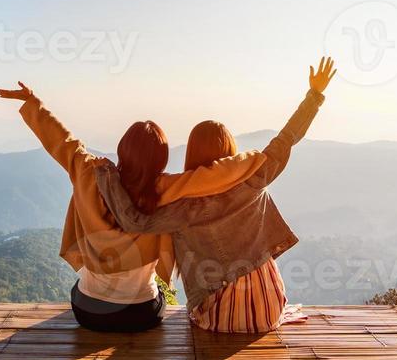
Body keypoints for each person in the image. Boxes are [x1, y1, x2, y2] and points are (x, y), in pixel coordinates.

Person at [0, 82, 267, 332]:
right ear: (161, 159)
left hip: (88, 312)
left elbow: (62, 142)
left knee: (81, 291)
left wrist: (32, 102)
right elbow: (212, 175)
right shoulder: (165, 189)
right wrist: (257, 159)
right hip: (141, 313)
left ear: (122, 148)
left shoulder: (89, 173)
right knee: (157, 296)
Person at [95, 57, 335, 333]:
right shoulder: (254, 175)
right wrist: (314, 95)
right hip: (268, 307)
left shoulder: (185, 205)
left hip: (220, 316)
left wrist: (108, 176)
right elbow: (288, 137)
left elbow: (134, 222)